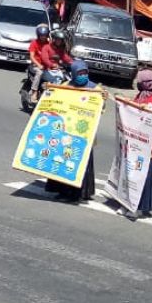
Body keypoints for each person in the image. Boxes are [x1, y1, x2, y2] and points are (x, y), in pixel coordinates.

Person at [45, 60, 101, 203]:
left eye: (85, 73)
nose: (83, 76)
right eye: (79, 73)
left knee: (80, 163)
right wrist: (49, 91)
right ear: (74, 74)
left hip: (84, 134)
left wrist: (103, 100)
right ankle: (63, 191)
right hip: (67, 132)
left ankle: (78, 194)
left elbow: (101, 109)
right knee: (64, 160)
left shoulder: (95, 89)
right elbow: (57, 102)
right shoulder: (66, 87)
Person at [126, 69, 152, 220]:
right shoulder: (138, 97)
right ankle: (129, 202)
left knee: (143, 176)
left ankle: (141, 207)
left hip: (147, 148)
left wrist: (148, 115)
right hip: (135, 144)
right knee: (132, 174)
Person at [27, 24, 52, 100]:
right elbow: (32, 56)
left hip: (46, 66)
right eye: (41, 35)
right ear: (38, 35)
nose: (43, 37)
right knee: (40, 72)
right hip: (35, 66)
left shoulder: (49, 44)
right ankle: (34, 92)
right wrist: (38, 65)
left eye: (44, 35)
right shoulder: (34, 43)